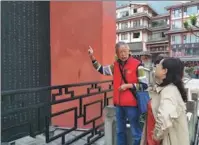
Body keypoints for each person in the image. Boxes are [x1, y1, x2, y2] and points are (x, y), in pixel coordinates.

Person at [88, 42, 148, 145]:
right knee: (120, 131)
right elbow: (102, 70)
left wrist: (128, 85)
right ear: (117, 54)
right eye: (121, 52)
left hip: (133, 105)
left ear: (129, 51)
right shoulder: (115, 66)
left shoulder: (138, 65)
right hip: (119, 105)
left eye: (125, 51)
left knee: (136, 133)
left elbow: (144, 85)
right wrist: (92, 57)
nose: (123, 54)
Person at [140, 58, 189, 145]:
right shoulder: (163, 88)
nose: (156, 66)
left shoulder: (169, 91)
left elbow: (164, 120)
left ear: (164, 71)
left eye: (159, 65)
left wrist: (155, 136)